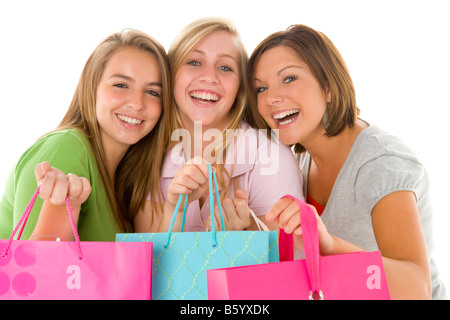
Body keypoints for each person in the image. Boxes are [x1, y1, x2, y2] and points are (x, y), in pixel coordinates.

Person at [247, 24, 446, 300]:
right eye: (261, 88)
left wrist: (329, 244)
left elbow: (417, 289)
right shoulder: (301, 159)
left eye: (289, 78)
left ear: (328, 86)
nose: (271, 98)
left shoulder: (381, 165)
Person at [134, 17, 303, 233]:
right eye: (194, 62)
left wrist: (247, 232)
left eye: (225, 67)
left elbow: (288, 259)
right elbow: (150, 263)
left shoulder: (271, 157)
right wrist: (173, 212)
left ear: (240, 86)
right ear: (171, 74)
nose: (209, 77)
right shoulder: (146, 154)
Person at [0, 29, 170, 241]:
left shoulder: (127, 179)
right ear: (92, 86)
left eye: (152, 92)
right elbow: (37, 267)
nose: (137, 103)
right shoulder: (66, 147)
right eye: (121, 85)